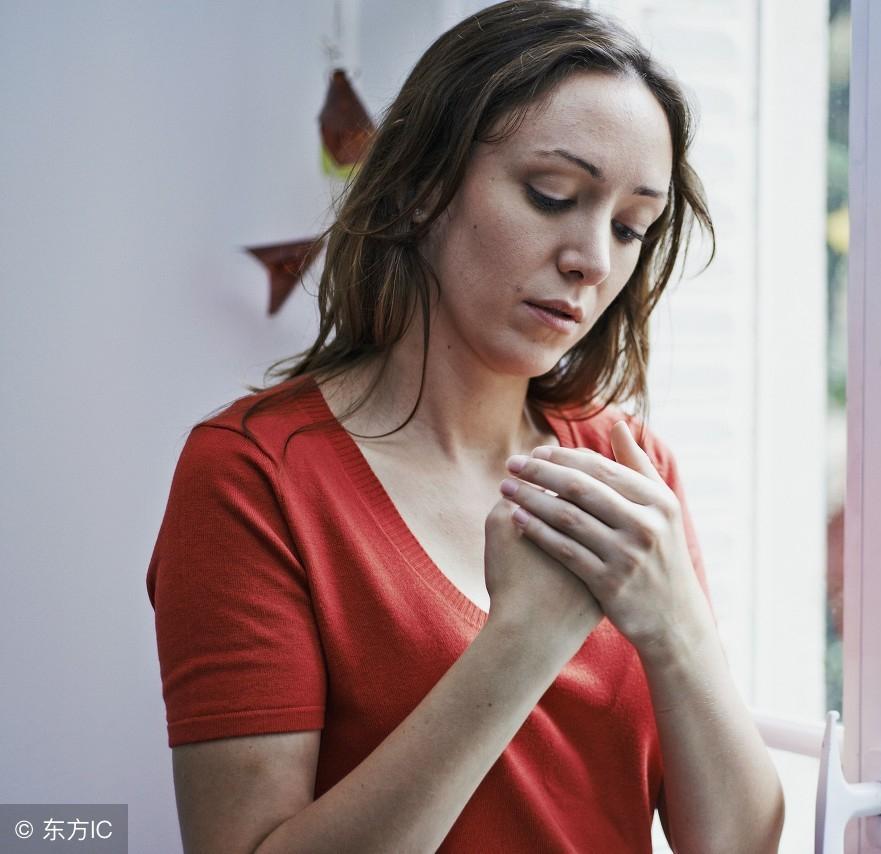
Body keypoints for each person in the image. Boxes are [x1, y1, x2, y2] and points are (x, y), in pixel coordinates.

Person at [145, 1, 785, 851]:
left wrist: (676, 625)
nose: (594, 258)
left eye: (632, 226)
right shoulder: (252, 476)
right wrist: (522, 641)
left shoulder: (629, 469)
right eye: (552, 194)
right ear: (418, 187)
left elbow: (739, 842)